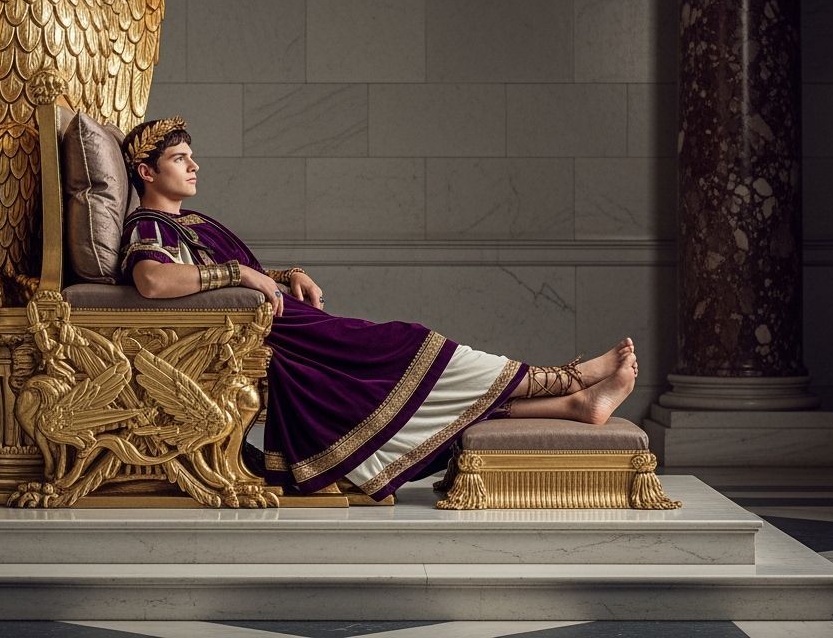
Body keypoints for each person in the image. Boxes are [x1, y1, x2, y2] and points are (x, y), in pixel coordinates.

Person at [118, 117, 639, 502]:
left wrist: (280, 274)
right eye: (179, 159)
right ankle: (567, 378)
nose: (194, 165)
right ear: (145, 171)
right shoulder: (150, 225)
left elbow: (236, 276)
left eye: (191, 156)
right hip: (275, 340)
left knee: (414, 387)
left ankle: (574, 406)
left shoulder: (194, 222)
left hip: (292, 327)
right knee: (413, 346)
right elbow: (151, 278)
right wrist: (244, 275)